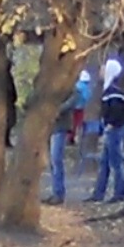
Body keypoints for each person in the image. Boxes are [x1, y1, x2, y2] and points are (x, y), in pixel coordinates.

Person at [87, 58, 124, 204]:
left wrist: (110, 124)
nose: (101, 71)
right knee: (105, 163)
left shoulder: (114, 92)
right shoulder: (108, 90)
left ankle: (119, 193)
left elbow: (117, 111)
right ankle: (98, 193)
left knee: (116, 162)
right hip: (110, 130)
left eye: (104, 68)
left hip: (114, 131)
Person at [46, 68, 90, 205]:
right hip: (50, 126)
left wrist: (57, 110)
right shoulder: (50, 86)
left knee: (56, 159)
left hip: (60, 126)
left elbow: (73, 100)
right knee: (52, 161)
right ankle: (55, 191)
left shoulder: (69, 86)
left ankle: (59, 193)